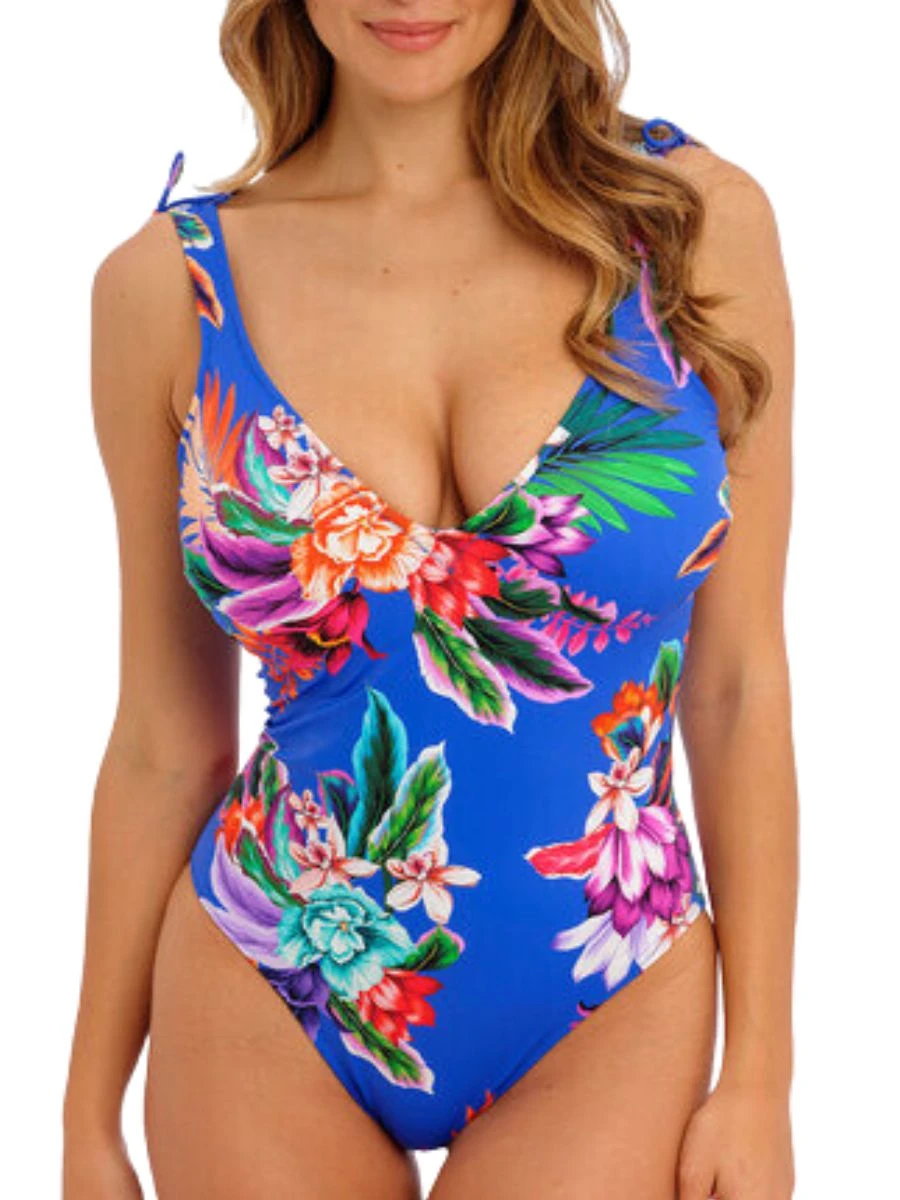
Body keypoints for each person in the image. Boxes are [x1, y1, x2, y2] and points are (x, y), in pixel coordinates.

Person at [63, 2, 797, 1197]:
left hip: (613, 989)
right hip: (267, 968)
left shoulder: (687, 230)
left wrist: (761, 1072)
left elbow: (738, 685)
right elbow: (162, 739)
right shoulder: (168, 288)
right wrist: (86, 1114)